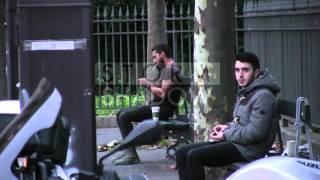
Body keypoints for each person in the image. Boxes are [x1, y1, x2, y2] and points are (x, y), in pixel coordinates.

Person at [175, 52, 281, 180]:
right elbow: (242, 122)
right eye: (237, 70)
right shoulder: (248, 90)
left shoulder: (263, 96)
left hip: (249, 150)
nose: (240, 75)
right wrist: (226, 127)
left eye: (245, 70)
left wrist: (225, 134)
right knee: (182, 153)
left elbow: (255, 133)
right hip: (238, 143)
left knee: (194, 156)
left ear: (256, 72)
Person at [112, 44, 182, 165]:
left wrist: (148, 84)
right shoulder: (168, 68)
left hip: (162, 109)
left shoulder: (169, 69)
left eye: (155, 57)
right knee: (120, 113)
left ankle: (131, 155)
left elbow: (162, 94)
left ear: (162, 54)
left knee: (124, 116)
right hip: (157, 106)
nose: (154, 60)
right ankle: (129, 151)